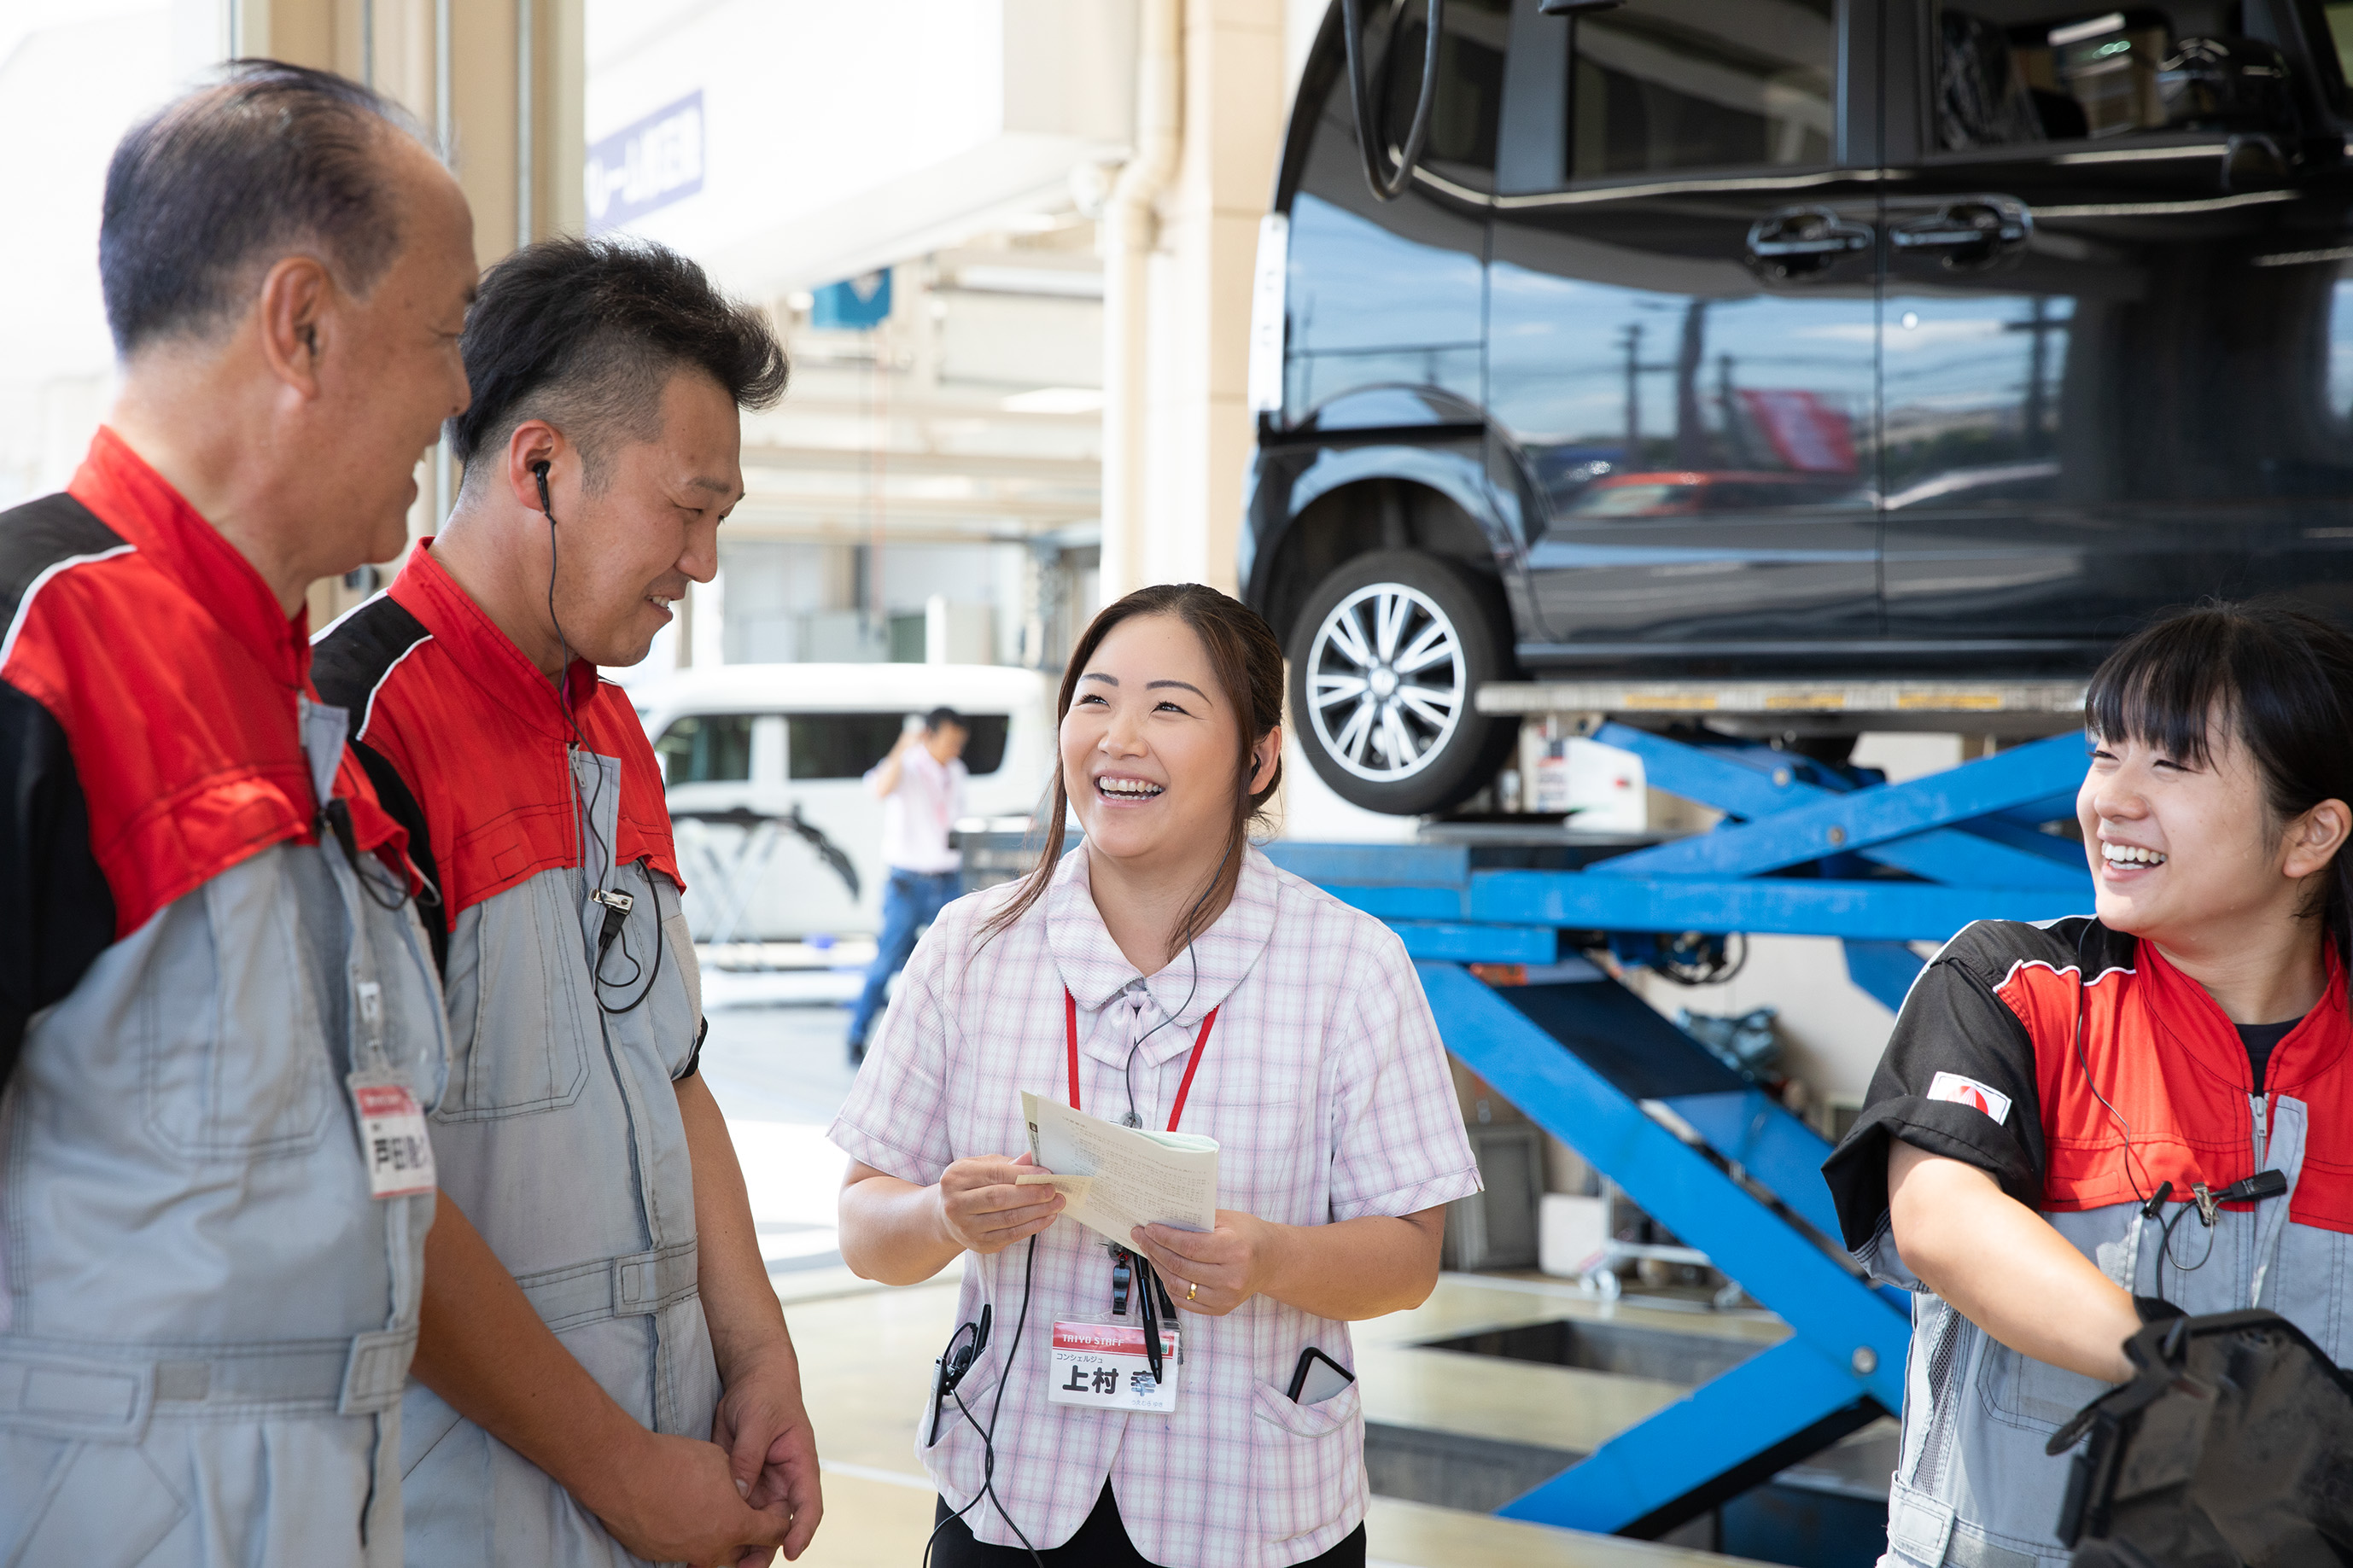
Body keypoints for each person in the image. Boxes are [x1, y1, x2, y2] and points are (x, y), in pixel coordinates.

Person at [0, 61, 470, 1565]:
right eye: (447, 335)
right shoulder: (42, 650)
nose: (462, 393)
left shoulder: (299, 706)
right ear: (305, 325)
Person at [311, 236, 819, 1566]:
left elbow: (676, 1072)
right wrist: (628, 1476)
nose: (703, 564)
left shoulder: (610, 732)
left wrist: (758, 1355)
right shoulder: (352, 729)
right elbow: (366, 1184)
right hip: (447, 1513)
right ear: (541, 463)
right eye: (688, 508)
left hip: (658, 1475)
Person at [832, 584, 1482, 1566]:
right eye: (1093, 700)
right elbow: (863, 1226)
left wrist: (1271, 1260)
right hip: (1007, 1497)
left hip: (1250, 1511)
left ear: (1258, 756)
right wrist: (939, 1217)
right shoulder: (970, 946)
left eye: (1169, 707)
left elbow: (1409, 1256)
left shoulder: (1350, 964)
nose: (1118, 737)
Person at [1822, 602, 2353, 1568]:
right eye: (2104, 753)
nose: (2109, 797)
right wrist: (2175, 1362)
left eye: (2170, 763)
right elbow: (1937, 1214)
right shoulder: (2012, 987)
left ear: (2309, 834)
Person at [847, 706, 972, 1064]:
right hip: (907, 882)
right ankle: (857, 1035)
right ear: (929, 735)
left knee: (952, 963)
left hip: (947, 879)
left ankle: (942, 1045)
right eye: (950, 741)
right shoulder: (909, 766)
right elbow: (879, 789)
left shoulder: (957, 771)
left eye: (959, 743)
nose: (955, 750)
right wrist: (905, 743)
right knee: (885, 961)